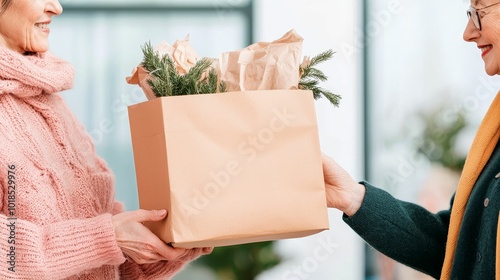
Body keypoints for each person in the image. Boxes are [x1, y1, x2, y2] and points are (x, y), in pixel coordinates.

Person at [0, 0, 211, 279]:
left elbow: (108, 267)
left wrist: (172, 242)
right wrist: (107, 238)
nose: (56, 7)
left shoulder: (48, 101)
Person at [323, 1, 500, 279]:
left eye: (479, 13)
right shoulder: (494, 136)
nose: (468, 32)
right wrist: (354, 198)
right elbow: (450, 247)